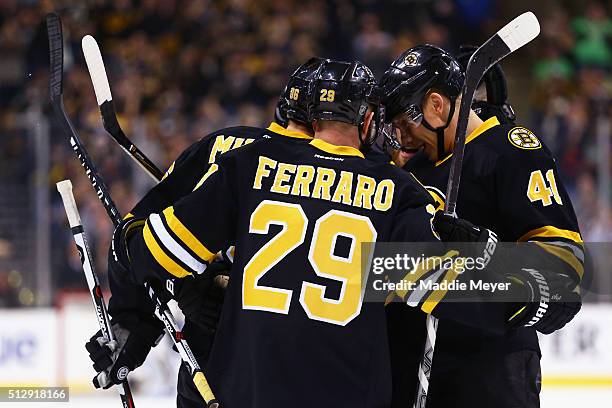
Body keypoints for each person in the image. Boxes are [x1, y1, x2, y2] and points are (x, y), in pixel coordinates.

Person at [102, 58, 505, 407]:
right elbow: (472, 292)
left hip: (245, 392)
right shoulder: (395, 189)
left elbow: (155, 252)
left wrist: (130, 236)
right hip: (349, 393)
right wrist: (481, 251)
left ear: (310, 118)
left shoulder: (249, 164)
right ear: (367, 120)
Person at [84, 57, 327, 407]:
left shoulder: (229, 147)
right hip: (310, 371)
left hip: (217, 365)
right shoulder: (370, 177)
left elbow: (135, 242)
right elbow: (385, 278)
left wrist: (136, 316)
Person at [379, 44, 583, 408]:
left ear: (437, 106)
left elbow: (563, 269)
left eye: (403, 123)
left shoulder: (511, 151)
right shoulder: (412, 169)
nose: (401, 137)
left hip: (489, 369)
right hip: (414, 366)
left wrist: (488, 251)